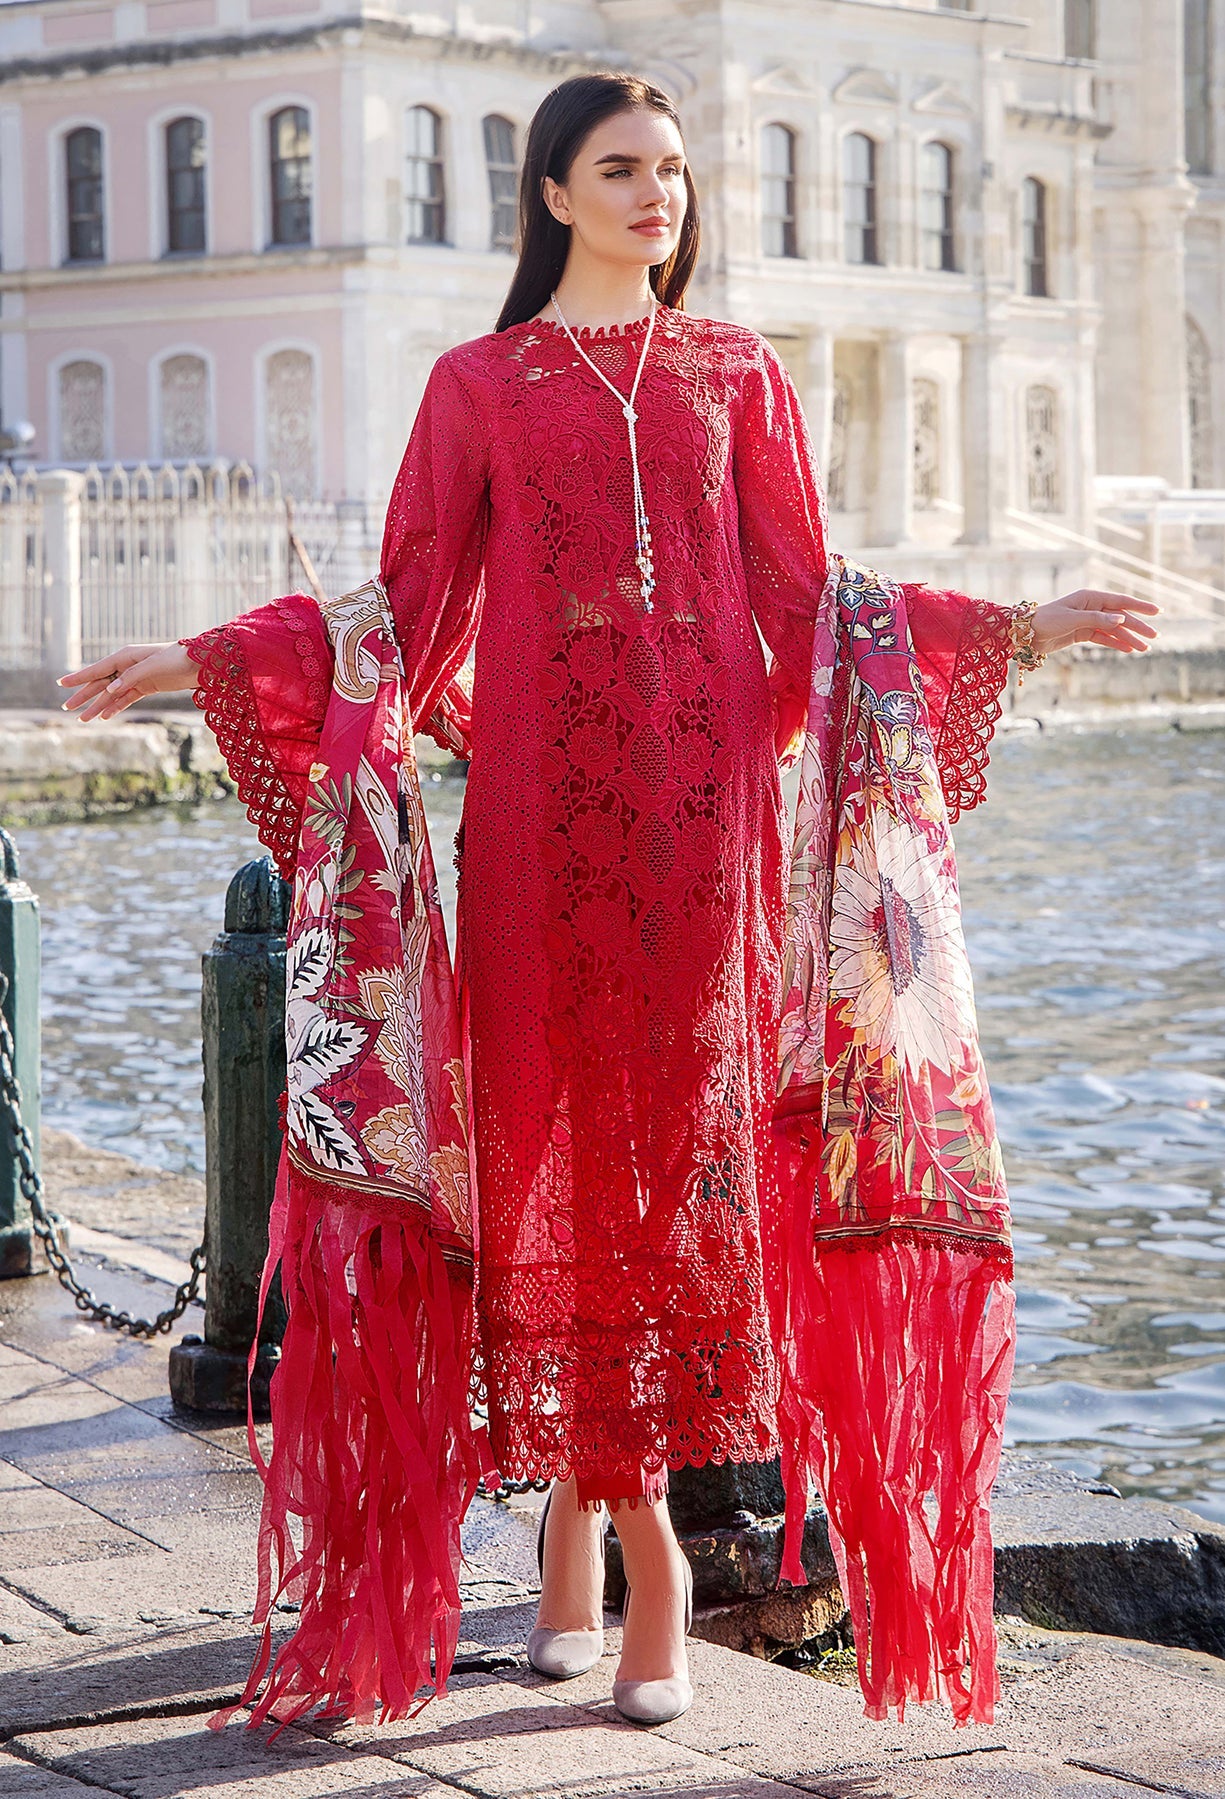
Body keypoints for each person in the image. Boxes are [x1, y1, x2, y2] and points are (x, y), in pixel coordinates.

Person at [58, 73, 1158, 1733]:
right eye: (623, 169)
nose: (659, 195)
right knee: (542, 1154)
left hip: (707, 840)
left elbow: (807, 597)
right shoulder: (478, 386)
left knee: (674, 1161)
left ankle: (602, 1542)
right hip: (532, 838)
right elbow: (408, 605)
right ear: (554, 193)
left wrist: (1016, 628)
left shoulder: (736, 373)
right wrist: (205, 657)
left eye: (674, 172)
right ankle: (618, 1547)